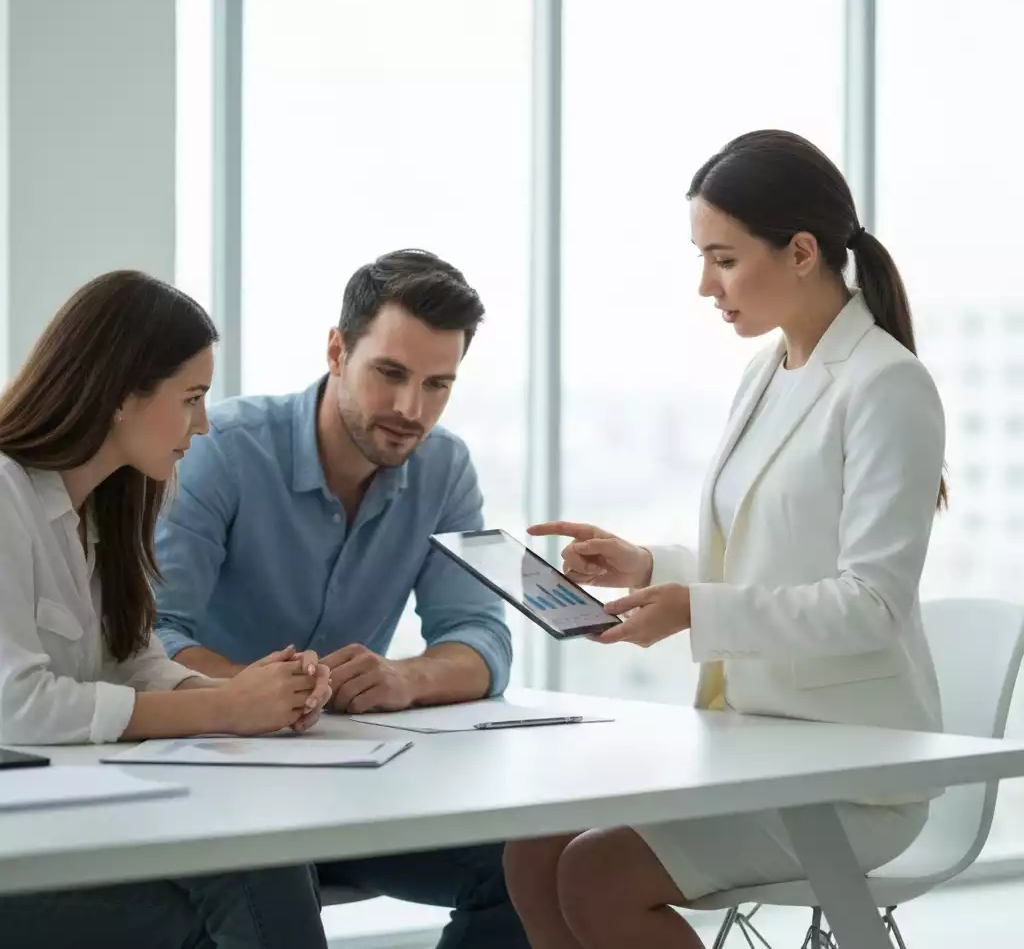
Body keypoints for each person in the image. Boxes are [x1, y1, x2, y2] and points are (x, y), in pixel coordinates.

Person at [503, 130, 948, 949]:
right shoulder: (767, 371)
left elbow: (872, 605)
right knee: (533, 850)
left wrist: (693, 610)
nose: (706, 285)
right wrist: (646, 566)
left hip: (854, 771)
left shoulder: (887, 385)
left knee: (597, 876)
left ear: (802, 252)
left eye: (724, 259)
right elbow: (766, 559)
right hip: (757, 738)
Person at [152, 249, 527, 949]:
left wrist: (404, 679)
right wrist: (259, 692)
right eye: (390, 373)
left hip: (354, 786)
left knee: (526, 866)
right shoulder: (223, 450)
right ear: (336, 351)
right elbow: (154, 636)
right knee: (269, 879)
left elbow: (482, 638)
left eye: (438, 384)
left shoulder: (445, 467)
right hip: (218, 779)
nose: (412, 409)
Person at [0, 271, 334, 949]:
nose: (203, 424)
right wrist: (224, 710)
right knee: (245, 884)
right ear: (122, 394)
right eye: (191, 399)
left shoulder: (105, 505)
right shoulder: (5, 494)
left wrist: (260, 694)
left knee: (259, 854)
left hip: (62, 813)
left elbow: (135, 663)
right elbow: (15, 704)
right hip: (19, 844)